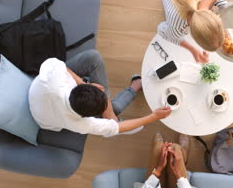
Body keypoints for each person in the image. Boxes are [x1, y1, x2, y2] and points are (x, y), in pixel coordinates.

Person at [29, 49, 171, 137]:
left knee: (93, 57)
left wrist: (85, 84)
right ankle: (119, 106)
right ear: (87, 116)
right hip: (44, 119)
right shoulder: (79, 124)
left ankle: (114, 112)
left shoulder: (53, 75)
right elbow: (116, 128)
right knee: (115, 109)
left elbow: (62, 67)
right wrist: (153, 116)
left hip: (41, 93)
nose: (102, 88)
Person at [147, 0, 228, 63]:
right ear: (192, 35)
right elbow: (161, 30)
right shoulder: (176, 28)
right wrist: (192, 49)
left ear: (216, 17)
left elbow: (222, 3)